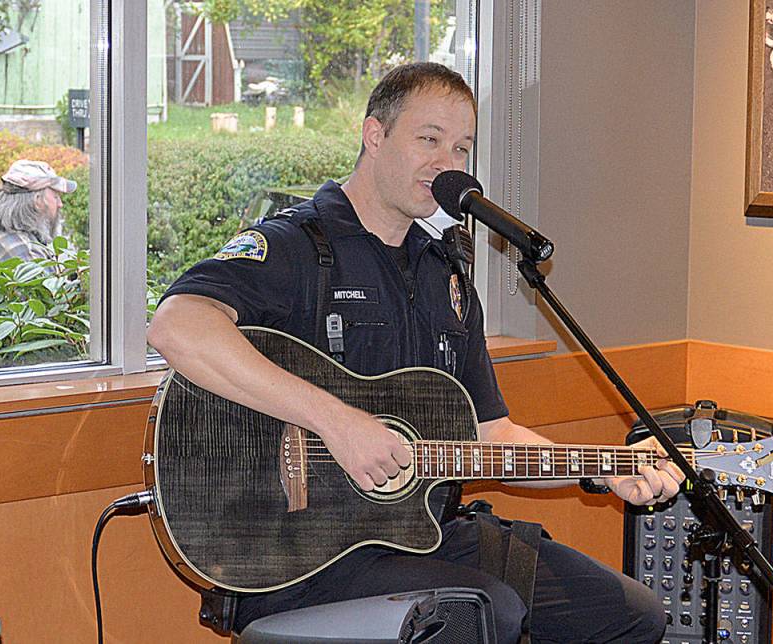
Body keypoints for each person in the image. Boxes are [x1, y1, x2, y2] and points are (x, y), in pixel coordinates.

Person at [148, 62, 685, 644]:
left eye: (460, 148)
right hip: (293, 552)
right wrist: (337, 423)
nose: (446, 163)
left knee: (627, 613)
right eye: (428, 139)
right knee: (485, 612)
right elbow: (178, 326)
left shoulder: (447, 276)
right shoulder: (297, 244)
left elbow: (490, 433)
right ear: (374, 136)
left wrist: (606, 472)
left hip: (420, 530)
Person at [0, 159, 77, 262]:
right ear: (37, 201)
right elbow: (47, 283)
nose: (60, 204)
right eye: (56, 197)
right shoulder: (27, 254)